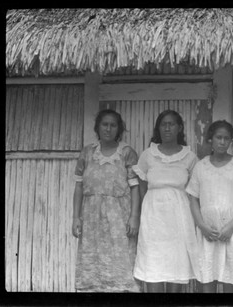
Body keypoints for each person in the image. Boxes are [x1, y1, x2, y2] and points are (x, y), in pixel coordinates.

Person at [72, 109, 140, 292]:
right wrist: (75, 218)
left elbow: (135, 187)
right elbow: (78, 186)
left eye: (113, 125)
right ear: (97, 127)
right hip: (91, 217)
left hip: (119, 217)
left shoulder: (127, 153)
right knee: (91, 264)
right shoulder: (87, 152)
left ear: (119, 129)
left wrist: (134, 217)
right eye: (105, 124)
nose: (108, 129)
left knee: (121, 263)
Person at [132, 110, 199, 293]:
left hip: (179, 218)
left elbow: (195, 192)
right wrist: (138, 215)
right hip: (153, 218)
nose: (167, 128)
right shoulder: (148, 155)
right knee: (153, 266)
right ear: (158, 128)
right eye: (163, 124)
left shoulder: (190, 157)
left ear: (179, 128)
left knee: (176, 268)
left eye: (171, 124)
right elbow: (142, 187)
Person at [186, 120, 233, 293]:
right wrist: (202, 226)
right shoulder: (201, 166)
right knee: (207, 278)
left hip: (231, 232)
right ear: (210, 140)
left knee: (229, 279)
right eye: (218, 138)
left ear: (231, 141)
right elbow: (193, 198)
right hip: (208, 232)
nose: (222, 142)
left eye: (227, 138)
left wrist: (231, 226)